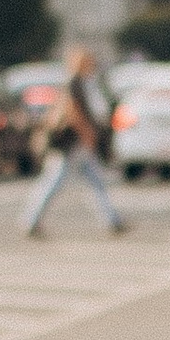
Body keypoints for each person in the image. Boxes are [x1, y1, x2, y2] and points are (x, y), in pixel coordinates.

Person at [20, 46, 126, 239]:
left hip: (77, 142)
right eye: (88, 60)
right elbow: (74, 113)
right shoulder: (74, 83)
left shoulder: (84, 82)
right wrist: (88, 135)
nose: (92, 64)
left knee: (94, 181)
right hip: (71, 142)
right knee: (55, 181)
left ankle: (112, 220)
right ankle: (31, 220)